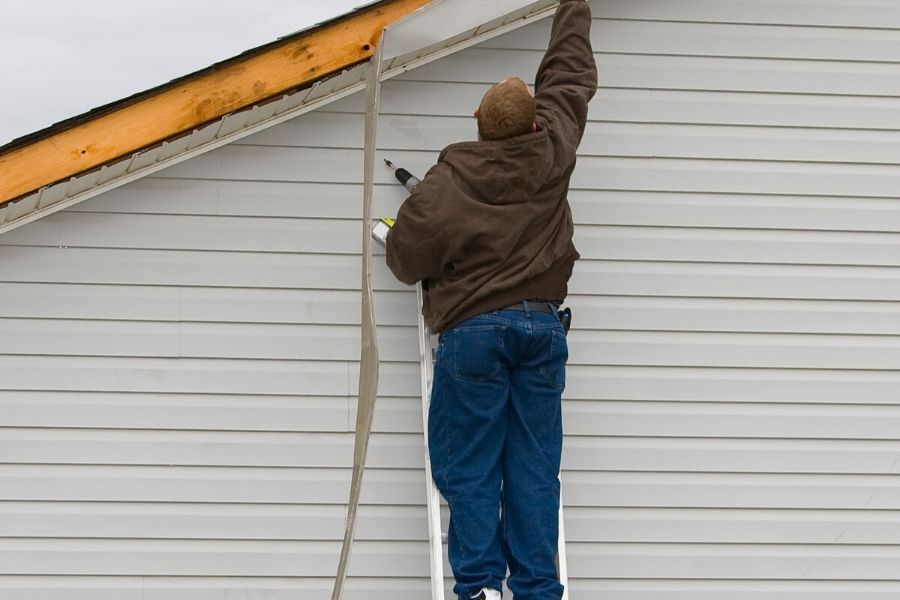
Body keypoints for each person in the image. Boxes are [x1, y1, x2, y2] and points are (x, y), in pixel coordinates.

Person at [385, 1, 596, 598]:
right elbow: (570, 74)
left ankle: (478, 587)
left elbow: (405, 260)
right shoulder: (552, 148)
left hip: (474, 335)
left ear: (478, 121)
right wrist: (573, 5)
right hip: (541, 329)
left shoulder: (448, 182)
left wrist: (416, 225)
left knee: (471, 465)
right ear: (535, 121)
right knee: (532, 468)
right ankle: (535, 589)